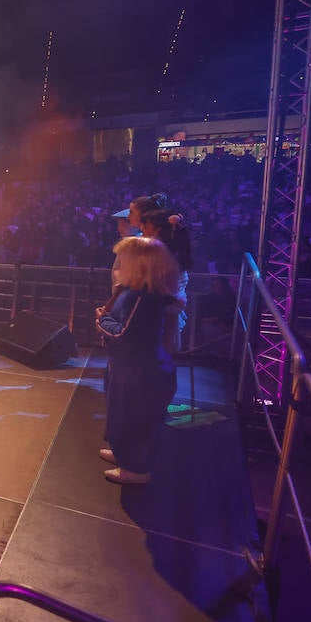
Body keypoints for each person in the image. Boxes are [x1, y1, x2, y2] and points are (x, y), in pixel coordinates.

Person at [96, 236, 180, 485]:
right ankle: (125, 456)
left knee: (133, 419)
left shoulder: (145, 297)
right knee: (121, 415)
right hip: (128, 367)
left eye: (125, 259)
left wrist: (102, 320)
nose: (119, 265)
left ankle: (136, 468)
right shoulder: (134, 291)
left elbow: (125, 332)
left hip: (140, 372)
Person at [139, 208, 194, 354]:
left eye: (146, 225)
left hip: (158, 313)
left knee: (155, 353)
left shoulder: (161, 257)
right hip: (165, 311)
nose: (142, 228)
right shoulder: (174, 255)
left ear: (158, 230)